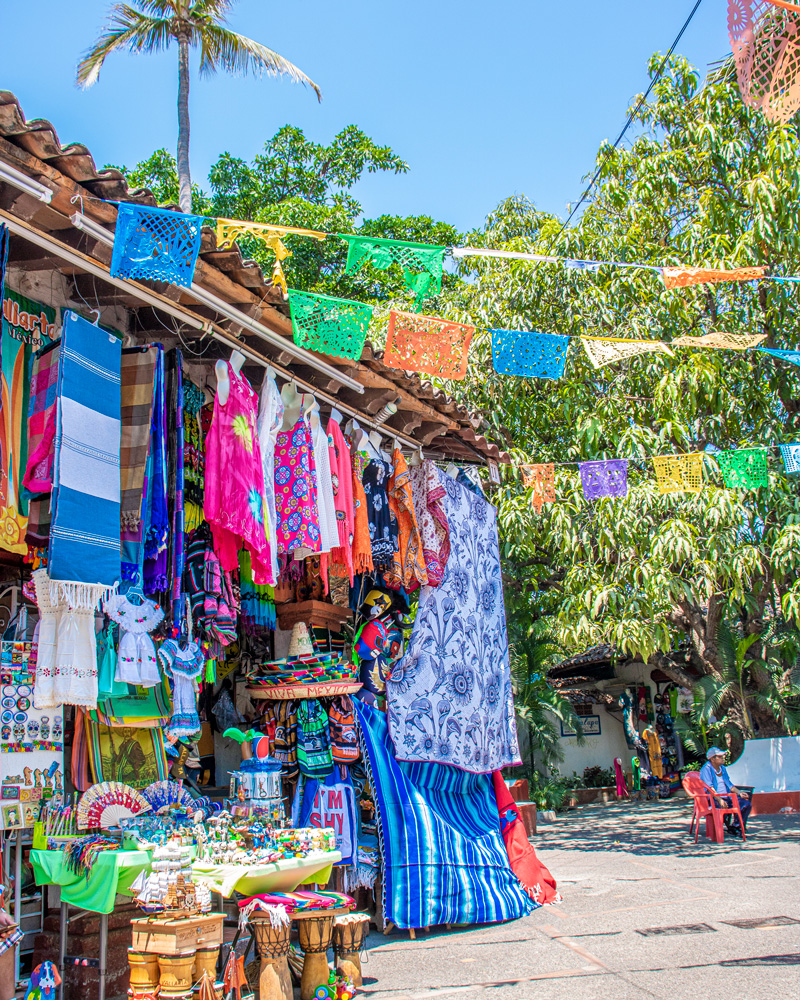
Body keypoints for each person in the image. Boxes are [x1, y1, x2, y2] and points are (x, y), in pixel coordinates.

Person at [699, 747, 751, 836]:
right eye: (720, 757)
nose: (723, 758)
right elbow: (709, 788)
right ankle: (719, 829)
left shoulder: (722, 768)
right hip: (714, 799)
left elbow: (729, 785)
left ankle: (736, 826)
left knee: (745, 804)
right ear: (713, 759)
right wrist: (719, 799)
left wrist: (739, 793)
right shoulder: (706, 769)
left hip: (727, 797)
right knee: (720, 809)